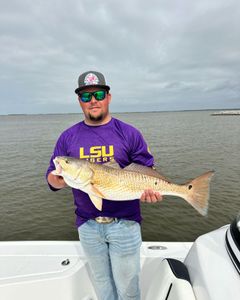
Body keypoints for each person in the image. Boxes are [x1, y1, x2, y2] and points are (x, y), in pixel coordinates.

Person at [46, 71, 163, 300]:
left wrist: (152, 190)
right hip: (87, 226)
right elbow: (51, 176)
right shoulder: (67, 137)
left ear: (108, 97)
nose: (93, 101)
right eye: (86, 96)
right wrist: (59, 178)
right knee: (101, 284)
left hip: (126, 224)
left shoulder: (129, 133)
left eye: (98, 94)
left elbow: (148, 168)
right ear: (79, 101)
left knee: (128, 288)